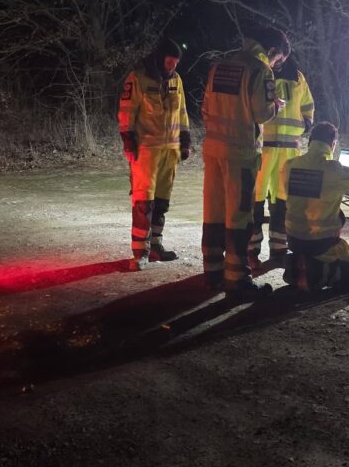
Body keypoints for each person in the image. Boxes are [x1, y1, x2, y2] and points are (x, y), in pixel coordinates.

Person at [201, 27, 289, 300]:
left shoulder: (220, 67)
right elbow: (262, 113)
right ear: (272, 51)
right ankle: (237, 279)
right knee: (239, 215)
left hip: (213, 149)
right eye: (278, 60)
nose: (275, 65)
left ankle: (213, 271)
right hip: (240, 153)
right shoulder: (260, 71)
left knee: (213, 211)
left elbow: (205, 107)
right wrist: (276, 105)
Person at [118, 38, 191, 268]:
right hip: (146, 150)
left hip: (170, 150)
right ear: (160, 58)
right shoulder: (138, 77)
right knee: (143, 200)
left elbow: (182, 113)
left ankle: (156, 245)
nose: (173, 67)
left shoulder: (176, 80)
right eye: (170, 61)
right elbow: (126, 111)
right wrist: (128, 141)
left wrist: (185, 141)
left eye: (176, 63)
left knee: (161, 201)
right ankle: (140, 252)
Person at [282, 121, 349, 294]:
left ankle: (298, 264)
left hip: (293, 239)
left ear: (310, 142)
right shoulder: (334, 169)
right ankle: (319, 272)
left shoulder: (290, 165)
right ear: (332, 145)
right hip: (322, 243)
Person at [249, 56, 315, 265]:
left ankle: (278, 249)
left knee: (282, 201)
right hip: (264, 147)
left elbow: (308, 104)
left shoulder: (298, 78)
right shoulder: (260, 74)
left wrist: (306, 123)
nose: (278, 60)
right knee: (255, 199)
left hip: (288, 151)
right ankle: (251, 248)